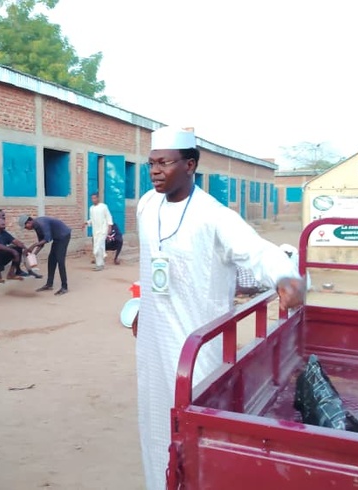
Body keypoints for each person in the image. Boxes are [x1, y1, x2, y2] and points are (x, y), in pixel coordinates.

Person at [135, 126, 305, 490]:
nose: (155, 171)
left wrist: (284, 277)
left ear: (190, 164)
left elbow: (255, 250)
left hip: (197, 343)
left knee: (197, 425)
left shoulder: (213, 215)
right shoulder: (147, 206)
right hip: (153, 339)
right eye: (150, 164)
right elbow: (150, 266)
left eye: (164, 163)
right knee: (154, 422)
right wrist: (139, 305)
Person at [19, 214, 72, 296]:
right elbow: (41, 242)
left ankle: (64, 287)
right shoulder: (36, 226)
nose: (26, 229)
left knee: (60, 260)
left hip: (63, 236)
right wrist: (33, 254)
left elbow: (47, 238)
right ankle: (49, 284)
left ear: (29, 221)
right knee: (51, 260)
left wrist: (32, 246)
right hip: (57, 238)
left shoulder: (41, 223)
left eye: (26, 226)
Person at [0, 209, 42, 281]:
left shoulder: (4, 233)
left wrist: (26, 249)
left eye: (4, 218)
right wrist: (12, 250)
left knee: (18, 248)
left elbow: (16, 241)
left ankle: (12, 273)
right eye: (1, 219)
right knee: (1, 250)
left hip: (1, 261)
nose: (3, 221)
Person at [84, 192, 113, 271]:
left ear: (98, 198)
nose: (93, 200)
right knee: (99, 247)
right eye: (92, 198)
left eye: (95, 198)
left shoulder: (103, 207)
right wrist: (87, 223)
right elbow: (92, 219)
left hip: (103, 230)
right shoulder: (91, 208)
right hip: (95, 231)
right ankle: (99, 264)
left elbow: (109, 217)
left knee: (98, 247)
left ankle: (101, 261)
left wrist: (109, 227)